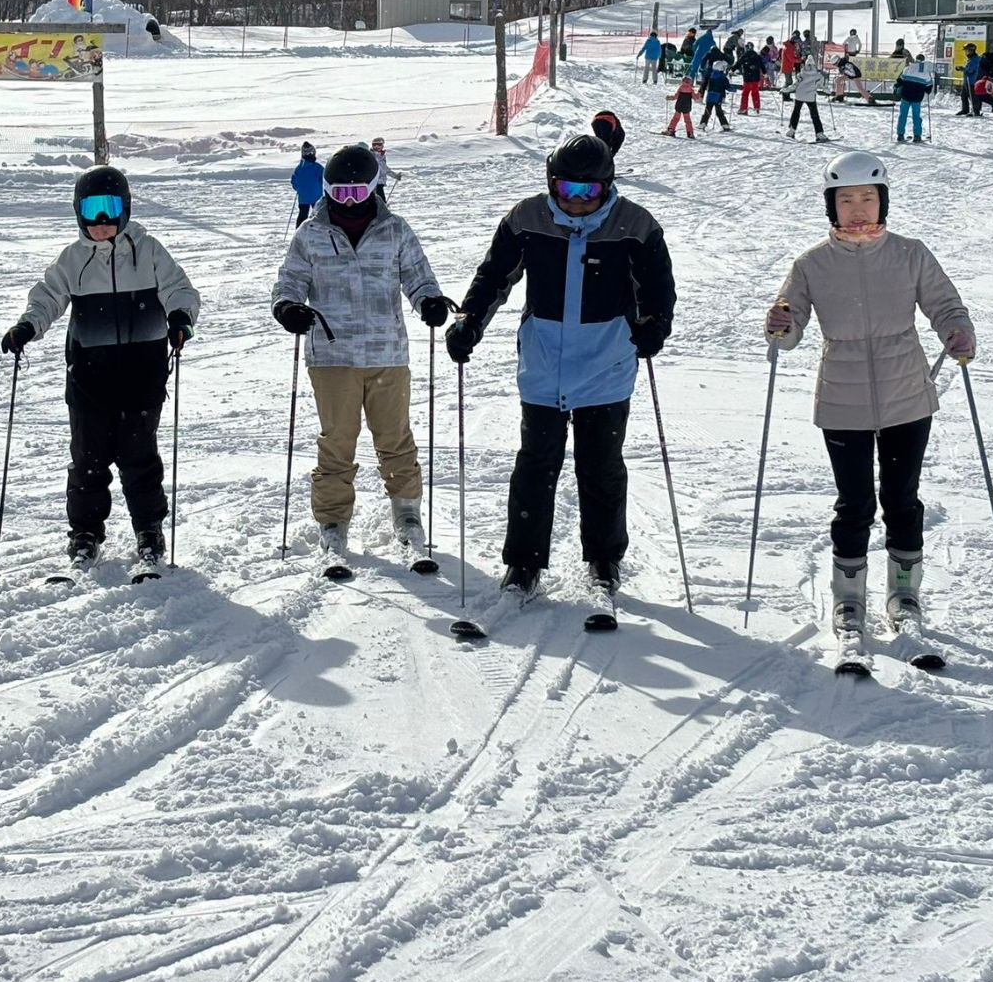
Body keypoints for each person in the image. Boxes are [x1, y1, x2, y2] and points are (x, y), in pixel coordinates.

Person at [446, 135, 676, 597]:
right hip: (544, 359)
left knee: (601, 464)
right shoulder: (528, 218)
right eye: (567, 188)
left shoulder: (634, 224)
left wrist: (655, 325)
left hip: (606, 361)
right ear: (551, 182)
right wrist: (470, 321)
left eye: (589, 191)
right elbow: (494, 277)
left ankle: (604, 558)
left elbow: (658, 286)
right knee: (536, 462)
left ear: (607, 186)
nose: (576, 200)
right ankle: (524, 562)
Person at [764, 151, 975, 644]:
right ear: (831, 206)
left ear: (882, 201)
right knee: (854, 503)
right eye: (846, 200)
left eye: (866, 198)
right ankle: (849, 599)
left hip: (908, 395)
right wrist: (780, 325)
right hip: (842, 399)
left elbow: (946, 305)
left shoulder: (910, 254)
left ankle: (904, 595)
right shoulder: (812, 264)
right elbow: (788, 325)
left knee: (902, 500)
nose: (857, 210)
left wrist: (958, 332)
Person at [1, 166, 201, 569]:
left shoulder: (149, 251)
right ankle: (85, 533)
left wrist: (180, 318)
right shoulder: (74, 259)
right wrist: (27, 326)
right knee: (88, 461)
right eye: (92, 210)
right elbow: (48, 297)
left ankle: (149, 529)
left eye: (110, 208)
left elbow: (180, 289)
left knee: (139, 459)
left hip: (142, 377)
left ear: (125, 208)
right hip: (89, 379)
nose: (102, 221)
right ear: (79, 212)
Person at [271, 144, 452, 561]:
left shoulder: (395, 230)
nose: (348, 202)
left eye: (356, 193)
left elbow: (419, 277)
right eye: (339, 193)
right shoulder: (311, 234)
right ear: (326, 190)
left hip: (387, 352)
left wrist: (428, 300)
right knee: (337, 441)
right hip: (332, 358)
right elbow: (289, 282)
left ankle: (406, 512)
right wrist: (287, 307)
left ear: (373, 188)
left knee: (395, 438)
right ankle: (333, 522)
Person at [786, 61, 831, 142]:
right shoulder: (818, 76)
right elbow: (823, 86)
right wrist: (828, 92)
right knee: (814, 115)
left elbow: (795, 85)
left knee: (796, 112)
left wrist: (786, 90)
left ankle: (791, 130)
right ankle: (819, 133)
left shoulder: (801, 74)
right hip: (810, 97)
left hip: (799, 95)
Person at [894, 55, 934, 143]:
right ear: (923, 60)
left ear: (916, 60)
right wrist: (927, 90)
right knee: (916, 116)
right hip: (917, 97)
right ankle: (917, 136)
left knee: (903, 115)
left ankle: (900, 135)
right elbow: (929, 86)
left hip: (905, 96)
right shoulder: (925, 71)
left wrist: (896, 86)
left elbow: (900, 80)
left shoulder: (908, 68)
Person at [291, 141, 324, 226]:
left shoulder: (298, 169)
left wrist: (299, 189)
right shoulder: (318, 168)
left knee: (302, 215)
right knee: (318, 215)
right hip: (316, 197)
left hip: (303, 198)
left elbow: (294, 182)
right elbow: (324, 180)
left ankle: (299, 230)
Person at [699, 52, 732, 131]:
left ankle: (703, 123)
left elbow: (705, 84)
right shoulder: (722, 77)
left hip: (710, 96)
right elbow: (727, 86)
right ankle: (725, 125)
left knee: (708, 110)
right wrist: (732, 89)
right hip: (718, 96)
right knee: (719, 111)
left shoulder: (710, 75)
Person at [737, 41, 766, 115]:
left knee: (745, 93)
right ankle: (757, 107)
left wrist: (732, 70)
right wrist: (765, 73)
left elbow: (738, 63)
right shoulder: (757, 56)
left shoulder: (745, 56)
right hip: (755, 78)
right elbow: (762, 65)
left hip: (747, 78)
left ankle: (743, 109)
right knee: (755, 92)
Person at [957, 43, 980, 116]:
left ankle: (976, 111)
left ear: (972, 51)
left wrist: (963, 69)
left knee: (972, 97)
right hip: (966, 80)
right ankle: (965, 109)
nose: (966, 53)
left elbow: (971, 70)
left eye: (967, 51)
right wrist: (962, 68)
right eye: (966, 51)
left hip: (971, 81)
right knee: (963, 96)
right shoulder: (971, 59)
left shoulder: (975, 59)